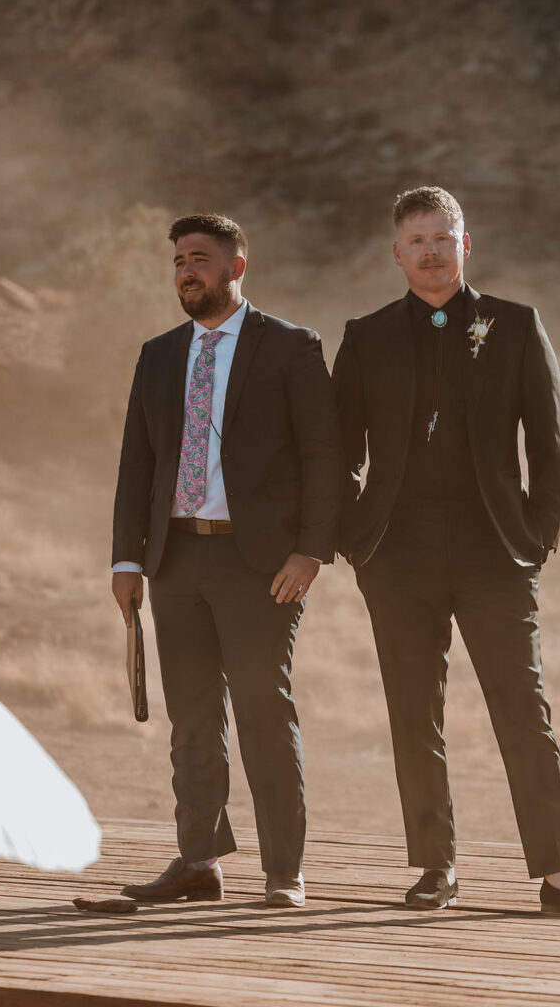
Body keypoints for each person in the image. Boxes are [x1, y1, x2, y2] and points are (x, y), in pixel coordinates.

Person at [331, 187, 560, 915]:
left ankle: (556, 876)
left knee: (522, 706)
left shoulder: (514, 326)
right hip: (397, 557)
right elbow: (336, 448)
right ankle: (435, 869)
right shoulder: (364, 337)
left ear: (465, 245)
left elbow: (548, 445)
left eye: (442, 237)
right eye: (417, 239)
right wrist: (356, 537)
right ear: (397, 253)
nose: (430, 250)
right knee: (412, 712)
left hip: (495, 553)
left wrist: (537, 538)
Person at [111, 213, 342, 908]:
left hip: (261, 565)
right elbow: (136, 464)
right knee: (192, 718)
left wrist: (310, 551)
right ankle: (199, 862)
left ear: (237, 267)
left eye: (202, 258)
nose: (187, 269)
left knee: (262, 713)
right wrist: (126, 560)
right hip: (174, 559)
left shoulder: (291, 347)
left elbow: (326, 457)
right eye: (179, 258)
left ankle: (283, 873)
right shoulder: (157, 353)